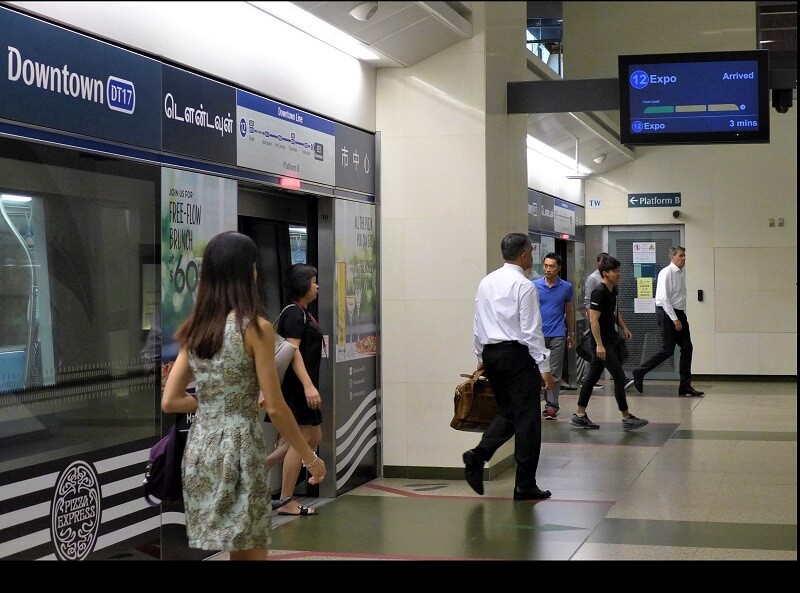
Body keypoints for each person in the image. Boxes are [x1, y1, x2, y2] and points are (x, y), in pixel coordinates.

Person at [161, 231, 326, 561]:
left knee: (230, 547)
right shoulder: (255, 328)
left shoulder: (195, 328)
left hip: (201, 452)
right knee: (250, 552)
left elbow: (171, 400)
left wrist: (221, 400)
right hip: (239, 451)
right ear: (248, 272)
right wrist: (310, 457)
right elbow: (276, 407)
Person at [463, 232, 556, 501]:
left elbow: (478, 321)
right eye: (531, 253)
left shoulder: (486, 282)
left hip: (492, 354)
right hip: (517, 355)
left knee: (508, 412)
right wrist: (545, 367)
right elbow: (531, 331)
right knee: (528, 421)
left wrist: (480, 356)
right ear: (525, 255)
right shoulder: (524, 286)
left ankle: (477, 455)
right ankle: (525, 484)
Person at [264, 264, 325, 516]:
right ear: (301, 284)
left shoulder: (304, 313)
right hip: (297, 388)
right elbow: (292, 351)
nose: (317, 285)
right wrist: (308, 385)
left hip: (305, 386)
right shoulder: (293, 314)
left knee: (313, 438)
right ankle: (286, 499)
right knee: (301, 439)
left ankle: (261, 466)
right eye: (313, 281)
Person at [571, 254, 648, 431]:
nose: (618, 274)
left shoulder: (613, 289)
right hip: (601, 342)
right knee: (620, 377)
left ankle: (579, 414)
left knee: (590, 378)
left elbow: (613, 312)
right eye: (615, 271)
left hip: (610, 339)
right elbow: (594, 319)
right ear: (605, 273)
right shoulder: (599, 292)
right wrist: (598, 344)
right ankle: (626, 416)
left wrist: (624, 327)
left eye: (619, 270)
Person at [632, 246, 704, 397]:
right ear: (672, 257)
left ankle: (685, 386)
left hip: (678, 313)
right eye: (681, 256)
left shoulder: (680, 273)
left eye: (685, 256)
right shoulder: (666, 272)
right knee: (667, 350)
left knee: (687, 347)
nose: (684, 258)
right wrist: (675, 319)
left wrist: (680, 316)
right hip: (667, 313)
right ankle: (640, 371)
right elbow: (664, 299)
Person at [533, 252, 574, 420]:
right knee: (536, 371)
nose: (547, 269)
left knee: (554, 371)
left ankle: (551, 406)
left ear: (558, 268)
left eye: (551, 266)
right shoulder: (533, 286)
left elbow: (569, 310)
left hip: (557, 334)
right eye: (545, 266)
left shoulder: (566, 287)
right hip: (537, 335)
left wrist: (570, 333)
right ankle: (534, 404)